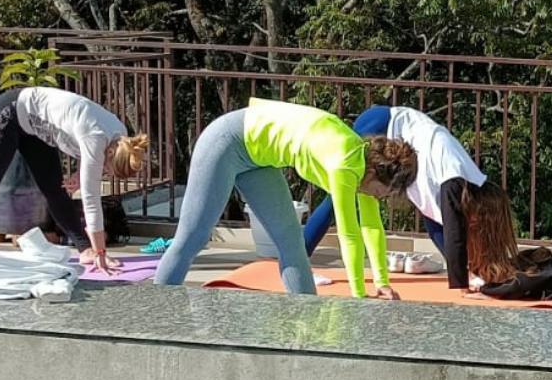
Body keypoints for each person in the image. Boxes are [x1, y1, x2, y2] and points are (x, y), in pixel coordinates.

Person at [152, 99, 417, 298]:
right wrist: (359, 296)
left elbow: (371, 227)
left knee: (292, 244)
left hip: (258, 159)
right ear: (376, 173)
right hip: (227, 140)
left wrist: (382, 283)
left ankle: (307, 320)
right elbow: (349, 235)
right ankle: (154, 308)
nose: (383, 198)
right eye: (386, 192)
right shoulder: (346, 165)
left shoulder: (366, 171)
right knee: (193, 238)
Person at [301, 105, 507, 291]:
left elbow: (435, 225)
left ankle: (301, 257)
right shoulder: (452, 181)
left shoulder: (466, 180)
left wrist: (466, 272)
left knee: (354, 198)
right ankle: (300, 261)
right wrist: (461, 282)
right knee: (336, 198)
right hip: (382, 125)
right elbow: (453, 231)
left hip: (389, 125)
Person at [0, 87, 148, 274]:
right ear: (112, 152)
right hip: (9, 113)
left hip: (35, 129)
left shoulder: (120, 138)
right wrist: (102, 253)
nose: (104, 170)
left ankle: (85, 250)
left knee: (55, 189)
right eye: (108, 167)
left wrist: (80, 174)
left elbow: (84, 142)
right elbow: (91, 201)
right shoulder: (96, 138)